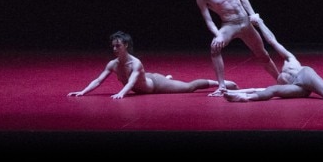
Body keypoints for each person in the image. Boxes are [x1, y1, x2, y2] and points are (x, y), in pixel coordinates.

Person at [222, 20, 323, 101]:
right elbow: (259, 89)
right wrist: (237, 91)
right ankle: (243, 98)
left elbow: (272, 41)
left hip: (303, 75)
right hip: (298, 88)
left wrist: (260, 23)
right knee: (272, 90)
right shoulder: (279, 78)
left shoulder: (289, 59)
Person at [67, 31, 238, 99]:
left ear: (125, 45)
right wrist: (82, 92)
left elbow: (132, 82)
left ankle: (219, 83)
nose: (114, 49)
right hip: (146, 80)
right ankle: (168, 78)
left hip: (155, 84)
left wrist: (121, 93)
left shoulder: (135, 63)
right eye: (113, 46)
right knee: (169, 81)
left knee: (188, 87)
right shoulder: (112, 64)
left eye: (117, 46)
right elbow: (98, 80)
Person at [193, 0, 280, 96]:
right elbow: (209, 20)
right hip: (229, 24)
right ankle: (222, 87)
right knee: (215, 47)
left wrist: (252, 14)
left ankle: (280, 81)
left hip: (245, 22)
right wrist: (218, 35)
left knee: (262, 54)